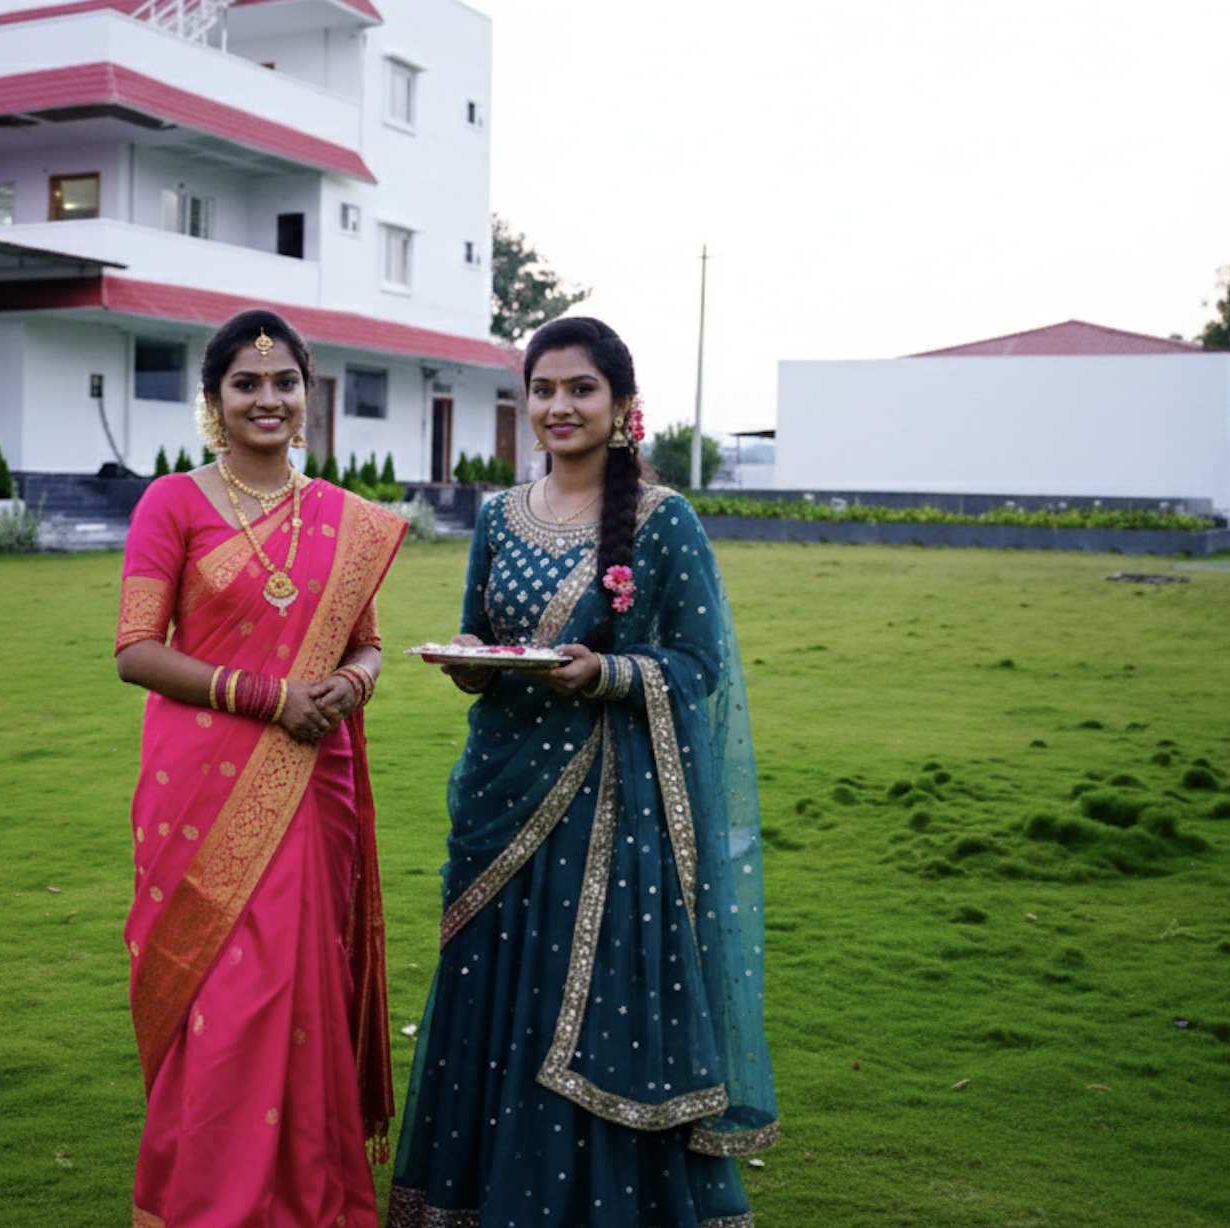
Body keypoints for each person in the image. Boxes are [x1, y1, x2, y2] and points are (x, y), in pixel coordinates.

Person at [389, 317, 778, 1228]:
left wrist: (606, 673)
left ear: (621, 407)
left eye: (580, 389)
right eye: (544, 390)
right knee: (496, 992)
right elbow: (483, 639)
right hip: (500, 795)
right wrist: (473, 662)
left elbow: (700, 663)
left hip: (613, 812)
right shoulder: (496, 515)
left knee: (591, 998)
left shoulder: (661, 519)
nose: (559, 407)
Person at [114, 308, 407, 1228]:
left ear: (307, 396)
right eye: (246, 383)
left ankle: (309, 1200)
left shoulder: (342, 520)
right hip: (202, 789)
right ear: (214, 400)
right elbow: (134, 650)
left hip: (311, 784)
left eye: (284, 383)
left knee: (302, 988)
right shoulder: (172, 503)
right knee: (224, 995)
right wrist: (268, 697)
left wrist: (350, 689)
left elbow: (366, 648)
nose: (267, 398)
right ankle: (209, 1203)